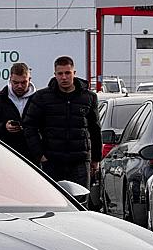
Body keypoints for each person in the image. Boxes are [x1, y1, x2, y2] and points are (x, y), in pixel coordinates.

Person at [23, 56, 102, 187]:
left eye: (67, 73)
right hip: (52, 162)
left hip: (80, 162)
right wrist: (39, 154)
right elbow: (29, 126)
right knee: (52, 199)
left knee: (80, 198)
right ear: (55, 75)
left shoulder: (89, 97)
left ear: (74, 73)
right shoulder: (42, 97)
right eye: (60, 74)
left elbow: (95, 129)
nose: (64, 77)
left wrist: (96, 159)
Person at [0, 62, 37, 161]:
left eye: (23, 82)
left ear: (29, 80)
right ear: (10, 79)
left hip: (33, 157)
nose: (19, 86)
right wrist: (4, 127)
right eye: (15, 83)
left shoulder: (39, 100)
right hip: (5, 156)